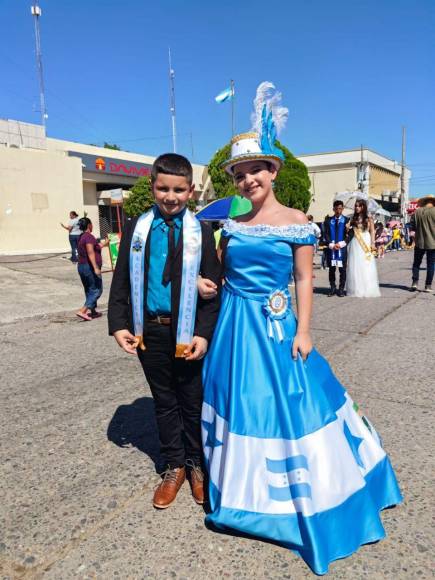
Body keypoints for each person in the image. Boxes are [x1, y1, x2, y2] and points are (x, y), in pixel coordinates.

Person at [197, 83, 402, 576]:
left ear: (273, 172)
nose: (247, 181)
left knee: (289, 403)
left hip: (275, 324)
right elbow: (225, 271)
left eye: (255, 171)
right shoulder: (232, 223)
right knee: (236, 399)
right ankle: (239, 487)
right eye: (240, 174)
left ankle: (310, 490)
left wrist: (304, 329)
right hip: (232, 326)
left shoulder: (298, 223)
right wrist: (210, 285)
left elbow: (306, 278)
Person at [108, 153, 221, 509]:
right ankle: (174, 466)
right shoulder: (137, 228)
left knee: (192, 401)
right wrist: (118, 323)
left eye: (178, 190)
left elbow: (213, 285)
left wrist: (204, 333)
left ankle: (197, 464)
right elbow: (122, 279)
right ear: (153, 187)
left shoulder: (200, 231)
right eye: (163, 188)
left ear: (190, 191)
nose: (170, 196)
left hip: (186, 331)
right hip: (150, 331)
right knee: (164, 402)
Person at [346, 199, 381, 298]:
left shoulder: (369, 218)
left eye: (358, 206)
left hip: (365, 240)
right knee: (355, 264)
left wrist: (373, 244)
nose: (356, 208)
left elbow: (372, 231)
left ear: (363, 207)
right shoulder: (353, 218)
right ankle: (357, 289)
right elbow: (350, 232)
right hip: (355, 242)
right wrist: (347, 227)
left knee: (366, 264)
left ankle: (367, 288)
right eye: (356, 206)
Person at [76, 217, 107, 320]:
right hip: (89, 267)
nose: (92, 226)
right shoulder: (89, 237)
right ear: (89, 225)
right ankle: (83, 311)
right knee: (97, 290)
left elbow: (95, 247)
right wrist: (95, 267)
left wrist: (104, 244)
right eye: (92, 224)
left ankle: (92, 311)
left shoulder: (81, 237)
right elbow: (90, 252)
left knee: (89, 290)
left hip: (82, 266)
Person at [324, 200, 349, 296]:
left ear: (342, 209)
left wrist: (342, 243)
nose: (338, 211)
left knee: (342, 270)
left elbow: (350, 234)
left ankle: (341, 289)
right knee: (331, 269)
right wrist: (330, 244)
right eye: (336, 209)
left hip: (342, 249)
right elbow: (325, 234)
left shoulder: (347, 220)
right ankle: (333, 288)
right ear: (333, 209)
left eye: (340, 208)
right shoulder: (328, 221)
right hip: (331, 249)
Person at [410, 195, 435, 292]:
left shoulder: (417, 212)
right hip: (432, 242)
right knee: (431, 264)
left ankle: (414, 283)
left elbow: (413, 227)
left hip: (419, 241)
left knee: (416, 263)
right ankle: (427, 286)